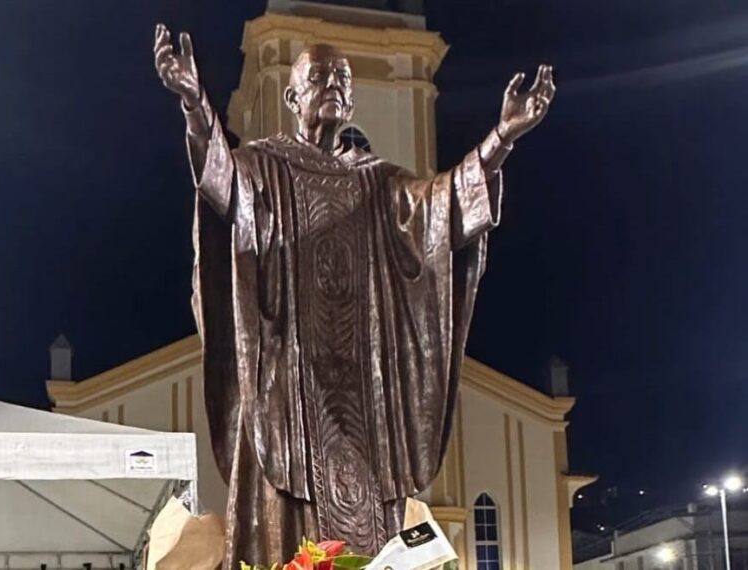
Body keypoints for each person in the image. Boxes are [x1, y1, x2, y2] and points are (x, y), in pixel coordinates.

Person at [153, 24, 555, 569]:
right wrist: (196, 104)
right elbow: (221, 179)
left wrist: (501, 138)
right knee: (284, 530)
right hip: (286, 398)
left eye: (342, 79)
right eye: (319, 77)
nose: (334, 86)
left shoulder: (380, 185)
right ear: (292, 97)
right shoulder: (265, 168)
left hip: (367, 403)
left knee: (371, 536)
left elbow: (443, 206)